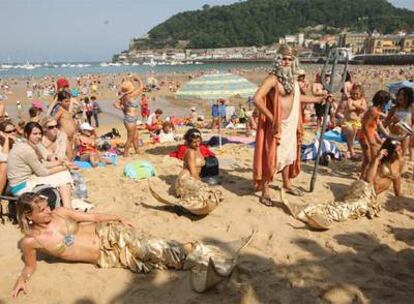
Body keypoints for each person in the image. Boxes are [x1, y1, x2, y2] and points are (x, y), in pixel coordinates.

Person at [11, 192, 242, 298]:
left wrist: (117, 217)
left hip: (110, 235)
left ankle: (206, 253)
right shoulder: (31, 242)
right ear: (29, 217)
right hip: (106, 257)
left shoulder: (61, 211)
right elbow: (30, 267)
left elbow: (91, 218)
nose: (48, 210)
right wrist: (23, 279)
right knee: (149, 262)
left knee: (152, 247)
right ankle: (203, 261)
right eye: (41, 210)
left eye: (46, 206)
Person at [253, 45, 330, 206]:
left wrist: (318, 99)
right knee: (271, 156)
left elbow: (298, 99)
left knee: (288, 155)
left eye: (290, 59)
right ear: (278, 60)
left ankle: (287, 184)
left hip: (292, 122)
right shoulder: (272, 79)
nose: (286, 61)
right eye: (283, 58)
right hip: (277, 124)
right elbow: (257, 99)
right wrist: (272, 117)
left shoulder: (293, 80)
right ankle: (265, 190)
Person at [283, 139, 404, 230]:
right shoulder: (379, 161)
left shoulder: (401, 162)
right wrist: (377, 159)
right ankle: (310, 211)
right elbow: (369, 179)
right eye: (397, 150)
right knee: (350, 207)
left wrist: (399, 196)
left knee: (352, 207)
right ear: (390, 152)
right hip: (365, 188)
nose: (400, 152)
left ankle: (316, 214)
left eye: (400, 149)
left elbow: (397, 183)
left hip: (371, 196)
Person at [150, 128, 223, 215]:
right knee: (202, 194)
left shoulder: (198, 149)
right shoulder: (190, 152)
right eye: (194, 142)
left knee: (211, 193)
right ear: (188, 142)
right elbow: (193, 172)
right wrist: (200, 183)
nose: (197, 144)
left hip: (194, 177)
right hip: (187, 178)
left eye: (198, 141)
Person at [7, 122, 73, 207]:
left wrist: (60, 163)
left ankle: (66, 207)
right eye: (35, 134)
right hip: (21, 187)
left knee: (62, 174)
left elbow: (42, 164)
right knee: (64, 176)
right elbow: (42, 172)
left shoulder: (23, 144)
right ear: (26, 134)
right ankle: (68, 208)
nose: (38, 136)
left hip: (21, 183)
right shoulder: (27, 150)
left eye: (40, 134)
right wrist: (64, 167)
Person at [359, 90, 390, 179]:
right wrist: (370, 140)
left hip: (371, 135)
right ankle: (362, 177)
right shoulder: (373, 111)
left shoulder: (376, 110)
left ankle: (366, 176)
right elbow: (365, 126)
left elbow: (378, 124)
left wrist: (387, 135)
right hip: (365, 136)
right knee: (368, 159)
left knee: (373, 158)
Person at [113, 77, 143, 157]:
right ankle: (125, 153)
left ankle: (137, 150)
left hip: (129, 118)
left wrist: (122, 108)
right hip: (130, 120)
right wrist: (138, 79)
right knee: (130, 137)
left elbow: (115, 104)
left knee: (135, 136)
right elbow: (141, 87)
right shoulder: (131, 96)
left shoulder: (123, 97)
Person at [383, 87, 414, 158]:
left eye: (403, 94)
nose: (400, 96)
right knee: (391, 154)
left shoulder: (411, 108)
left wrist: (412, 133)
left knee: (401, 155)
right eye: (399, 94)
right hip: (393, 135)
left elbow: (413, 122)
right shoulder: (394, 108)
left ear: (408, 97)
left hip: (405, 135)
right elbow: (387, 121)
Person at [341, 84, 367, 159]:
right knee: (350, 136)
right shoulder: (350, 99)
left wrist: (355, 105)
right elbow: (350, 107)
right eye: (353, 93)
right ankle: (351, 151)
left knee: (353, 136)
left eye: (356, 94)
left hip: (356, 121)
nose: (354, 95)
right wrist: (358, 107)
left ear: (360, 93)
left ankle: (349, 150)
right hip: (348, 121)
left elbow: (364, 108)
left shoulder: (362, 100)